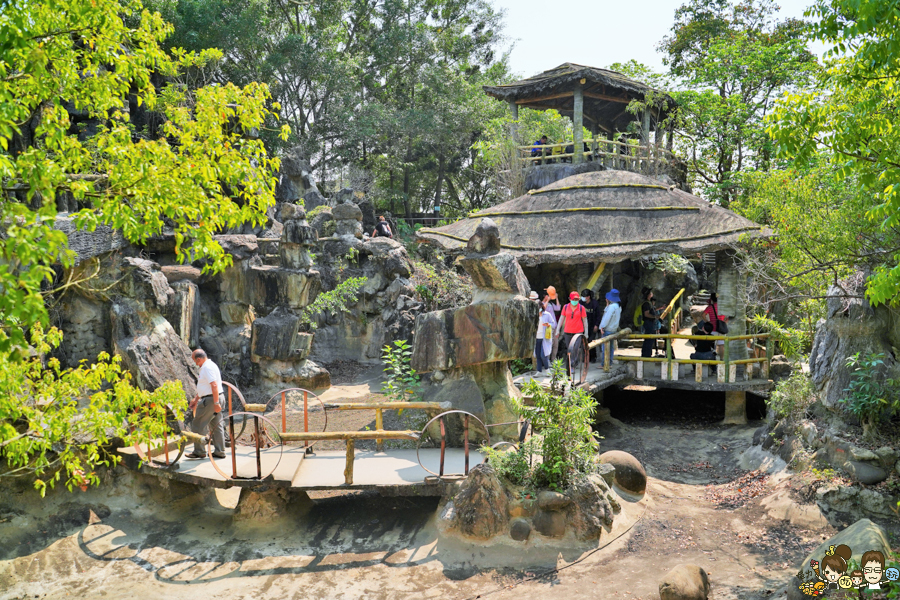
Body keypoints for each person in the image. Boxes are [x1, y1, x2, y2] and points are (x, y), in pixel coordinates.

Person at [187, 349, 226, 459]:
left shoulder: (206, 367)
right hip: (215, 398)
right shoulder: (211, 365)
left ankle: (199, 451)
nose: (195, 364)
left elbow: (214, 385)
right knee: (216, 425)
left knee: (198, 424)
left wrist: (216, 402)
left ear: (199, 359)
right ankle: (220, 451)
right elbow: (206, 387)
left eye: (195, 361)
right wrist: (196, 399)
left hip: (211, 400)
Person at [556, 291, 588, 375]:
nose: (575, 301)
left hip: (578, 332)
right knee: (569, 349)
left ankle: (572, 365)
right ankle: (573, 362)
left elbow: (585, 321)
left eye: (577, 299)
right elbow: (561, 319)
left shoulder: (581, 308)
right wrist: (557, 330)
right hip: (567, 331)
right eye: (574, 299)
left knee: (575, 348)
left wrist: (586, 332)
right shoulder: (565, 307)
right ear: (570, 299)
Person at [530, 291, 554, 373]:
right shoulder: (533, 315)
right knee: (537, 355)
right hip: (536, 337)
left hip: (545, 337)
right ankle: (539, 371)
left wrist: (548, 325)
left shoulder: (547, 314)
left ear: (541, 306)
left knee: (543, 355)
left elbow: (553, 323)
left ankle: (547, 370)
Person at [597, 288, 622, 364]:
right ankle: (610, 362)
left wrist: (602, 327)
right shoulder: (618, 307)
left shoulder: (611, 307)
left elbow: (606, 318)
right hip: (613, 329)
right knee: (611, 348)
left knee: (605, 348)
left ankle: (604, 364)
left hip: (607, 329)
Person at [580, 289, 600, 362]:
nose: (582, 298)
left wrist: (596, 325)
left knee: (591, 341)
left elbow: (598, 315)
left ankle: (593, 357)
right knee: (584, 341)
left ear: (588, 297)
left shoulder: (594, 303)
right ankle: (585, 357)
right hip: (583, 326)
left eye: (584, 296)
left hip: (592, 325)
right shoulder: (581, 303)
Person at [640, 287, 661, 358]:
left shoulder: (649, 303)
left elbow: (652, 310)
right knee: (649, 339)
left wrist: (659, 308)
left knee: (650, 339)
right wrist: (655, 317)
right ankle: (646, 354)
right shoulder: (646, 303)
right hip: (648, 323)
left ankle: (648, 354)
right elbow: (646, 314)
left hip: (650, 323)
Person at [546, 286, 563, 360]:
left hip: (554, 327)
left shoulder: (551, 304)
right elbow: (542, 309)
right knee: (549, 343)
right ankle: (547, 359)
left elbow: (558, 308)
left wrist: (556, 298)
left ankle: (553, 359)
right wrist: (547, 300)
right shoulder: (542, 303)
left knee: (556, 344)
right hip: (548, 328)